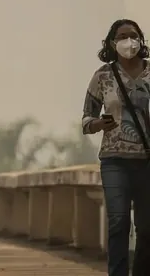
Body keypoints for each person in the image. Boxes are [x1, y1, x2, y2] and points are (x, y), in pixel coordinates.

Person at [83, 19, 150, 276]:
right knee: (119, 223)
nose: (128, 41)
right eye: (122, 36)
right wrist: (98, 123)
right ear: (112, 43)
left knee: (147, 229)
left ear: (140, 40)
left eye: (133, 35)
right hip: (114, 161)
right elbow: (86, 119)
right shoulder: (102, 76)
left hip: (146, 161)